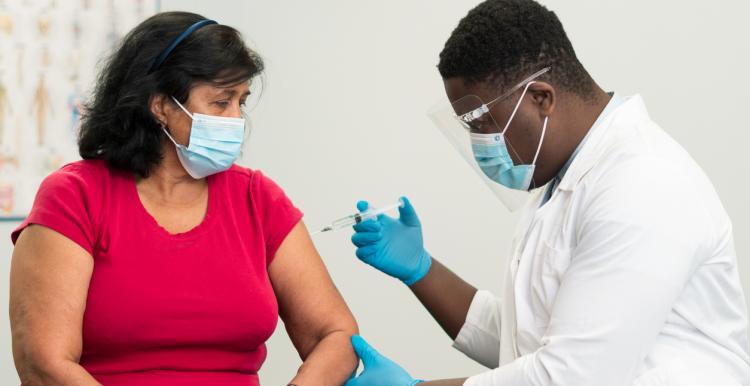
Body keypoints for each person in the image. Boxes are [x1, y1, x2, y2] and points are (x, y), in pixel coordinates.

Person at [345, 1, 750, 385]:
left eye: (483, 123)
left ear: (541, 98)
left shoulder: (643, 183)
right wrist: (421, 269)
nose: (479, 143)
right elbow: (524, 343)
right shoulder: (561, 180)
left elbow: (571, 377)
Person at [9, 12, 358, 386]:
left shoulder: (258, 198)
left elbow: (335, 335)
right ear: (160, 105)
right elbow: (43, 362)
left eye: (242, 101)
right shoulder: (76, 197)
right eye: (221, 102)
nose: (236, 118)